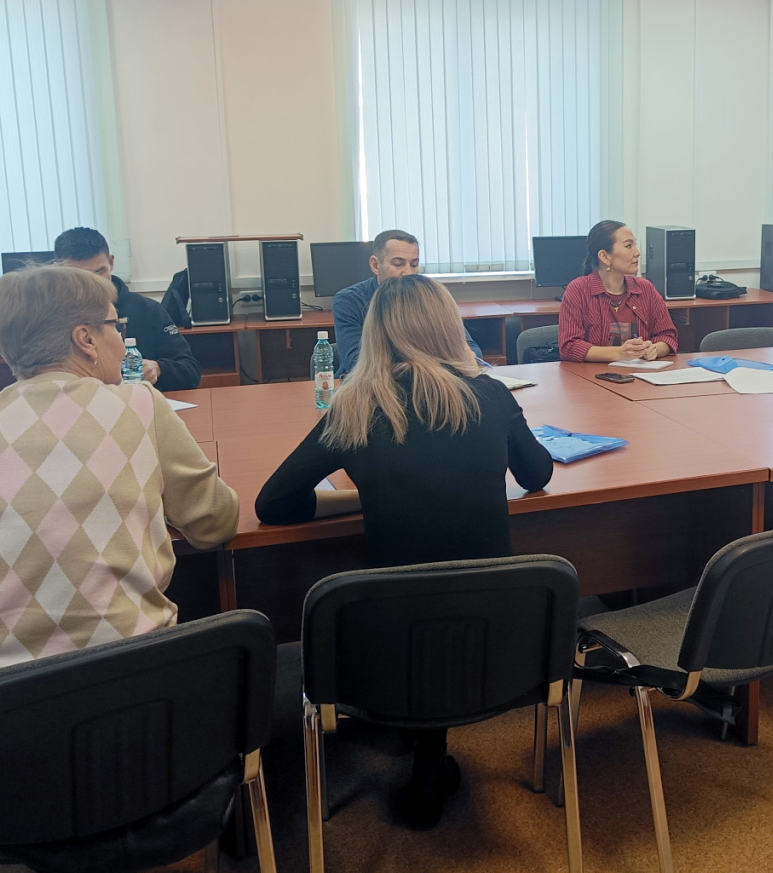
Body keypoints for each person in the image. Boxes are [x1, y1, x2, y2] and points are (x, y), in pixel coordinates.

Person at [256, 274, 552, 828]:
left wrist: (358, 496)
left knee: (417, 602)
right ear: (448, 327)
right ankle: (430, 753)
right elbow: (537, 474)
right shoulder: (490, 394)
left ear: (375, 333)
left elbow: (273, 504)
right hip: (500, 642)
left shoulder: (356, 406)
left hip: (386, 654)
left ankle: (419, 741)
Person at [0, 265, 239, 706]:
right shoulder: (139, 405)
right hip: (130, 693)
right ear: (86, 339)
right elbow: (215, 523)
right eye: (116, 325)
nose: (122, 340)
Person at [54, 227, 202, 391]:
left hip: (136, 401)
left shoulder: (147, 310)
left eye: (100, 272)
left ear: (111, 262)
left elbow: (190, 371)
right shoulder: (47, 318)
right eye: (80, 276)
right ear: (58, 270)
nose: (93, 284)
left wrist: (159, 368)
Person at [332, 229, 486, 377]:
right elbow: (356, 364)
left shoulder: (429, 296)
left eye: (414, 264)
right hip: (370, 386)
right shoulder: (349, 301)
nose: (408, 273)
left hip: (428, 380)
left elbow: (472, 350)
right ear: (375, 265)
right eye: (398, 264)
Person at [558, 220, 679, 362]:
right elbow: (569, 347)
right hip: (594, 374)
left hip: (640, 373)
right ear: (604, 256)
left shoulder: (645, 289)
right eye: (628, 246)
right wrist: (619, 353)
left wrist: (655, 349)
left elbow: (668, 336)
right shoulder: (578, 290)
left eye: (634, 244)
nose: (637, 253)